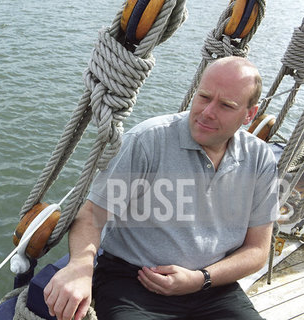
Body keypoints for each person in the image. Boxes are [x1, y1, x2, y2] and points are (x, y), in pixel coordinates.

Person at [43, 56, 279, 320]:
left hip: (212, 286)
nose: (207, 111)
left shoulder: (259, 159)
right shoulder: (147, 142)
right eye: (204, 97)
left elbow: (258, 250)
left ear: (249, 114)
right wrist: (80, 267)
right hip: (133, 283)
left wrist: (201, 279)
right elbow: (91, 215)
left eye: (226, 105)